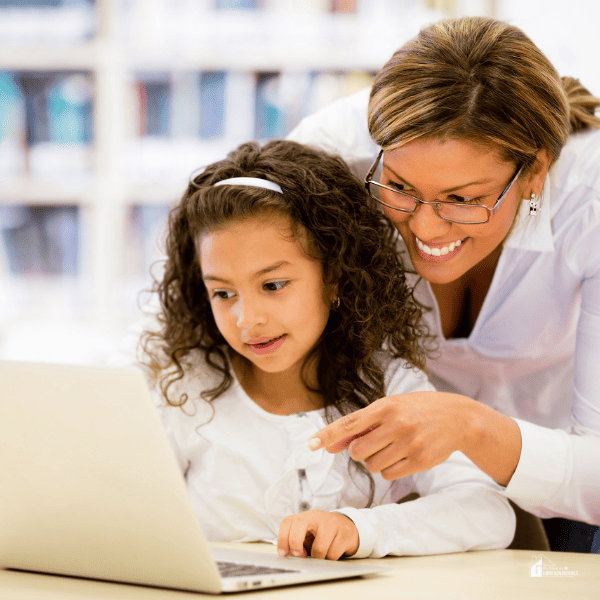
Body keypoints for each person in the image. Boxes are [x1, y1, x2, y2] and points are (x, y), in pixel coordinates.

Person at [116, 139, 515, 561]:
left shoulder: (389, 388)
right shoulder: (183, 388)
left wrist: (360, 529)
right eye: (223, 293)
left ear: (334, 274)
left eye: (273, 285)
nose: (247, 320)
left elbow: (488, 512)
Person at [288, 16, 600, 552]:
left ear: (534, 174)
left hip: (569, 478)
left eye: (463, 199)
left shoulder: (589, 202)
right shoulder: (329, 161)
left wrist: (473, 428)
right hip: (414, 491)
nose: (425, 228)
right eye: (401, 187)